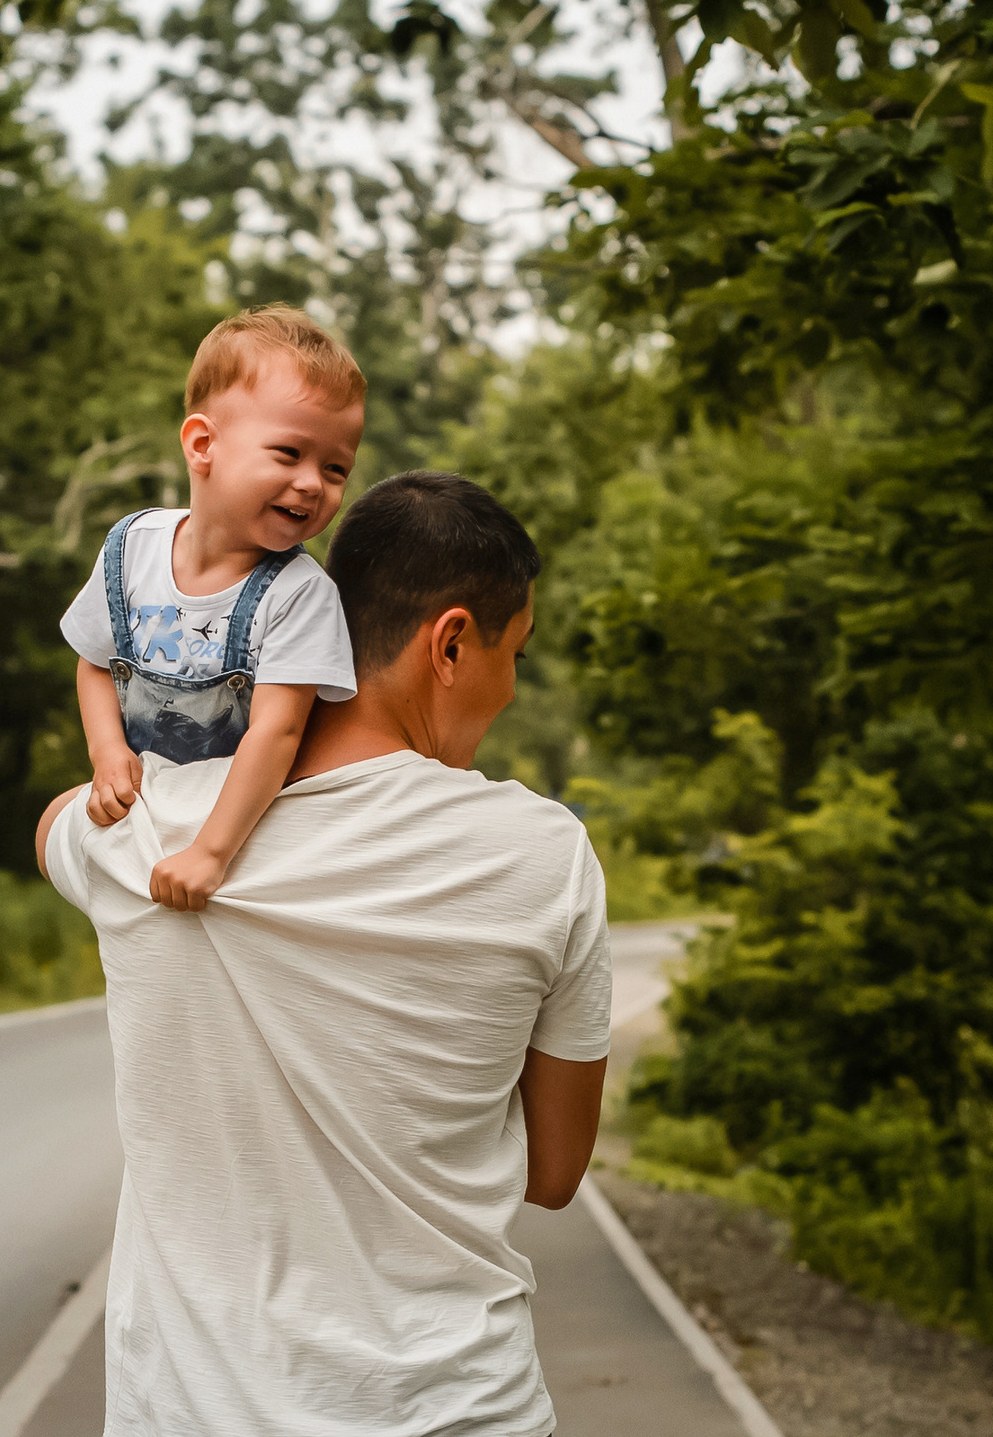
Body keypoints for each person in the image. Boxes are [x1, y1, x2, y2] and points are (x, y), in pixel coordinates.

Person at [36, 469, 612, 1437]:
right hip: (459, 1410)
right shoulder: (544, 857)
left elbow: (54, 824)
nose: (509, 688)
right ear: (451, 643)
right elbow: (553, 1174)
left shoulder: (157, 833)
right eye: (511, 654)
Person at [59, 305, 364, 912]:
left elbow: (277, 733)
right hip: (144, 810)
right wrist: (107, 752)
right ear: (203, 446)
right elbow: (95, 662)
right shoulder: (130, 549)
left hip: (241, 829)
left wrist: (211, 852)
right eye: (289, 453)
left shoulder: (298, 595)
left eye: (336, 469)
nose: (313, 483)